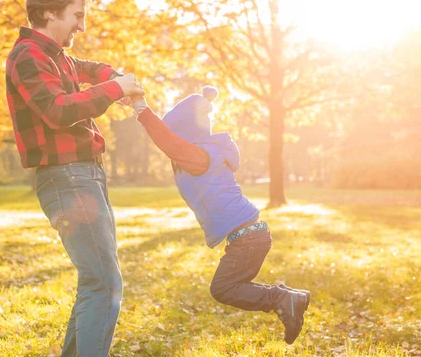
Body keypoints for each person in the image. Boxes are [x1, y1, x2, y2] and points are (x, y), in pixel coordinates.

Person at [5, 0, 145, 357]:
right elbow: (58, 110)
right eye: (76, 16)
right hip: (67, 176)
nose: (81, 27)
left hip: (84, 175)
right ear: (50, 12)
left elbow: (85, 67)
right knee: (104, 282)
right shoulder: (28, 56)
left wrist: (114, 77)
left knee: (97, 280)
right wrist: (115, 91)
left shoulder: (54, 56)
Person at [130, 87, 310, 344]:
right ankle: (289, 298)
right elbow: (168, 143)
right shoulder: (200, 153)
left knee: (223, 288)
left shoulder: (199, 155)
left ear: (184, 132)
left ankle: (285, 299)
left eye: (174, 133)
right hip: (249, 236)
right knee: (228, 286)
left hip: (248, 239)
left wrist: (140, 107)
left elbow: (167, 141)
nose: (171, 144)